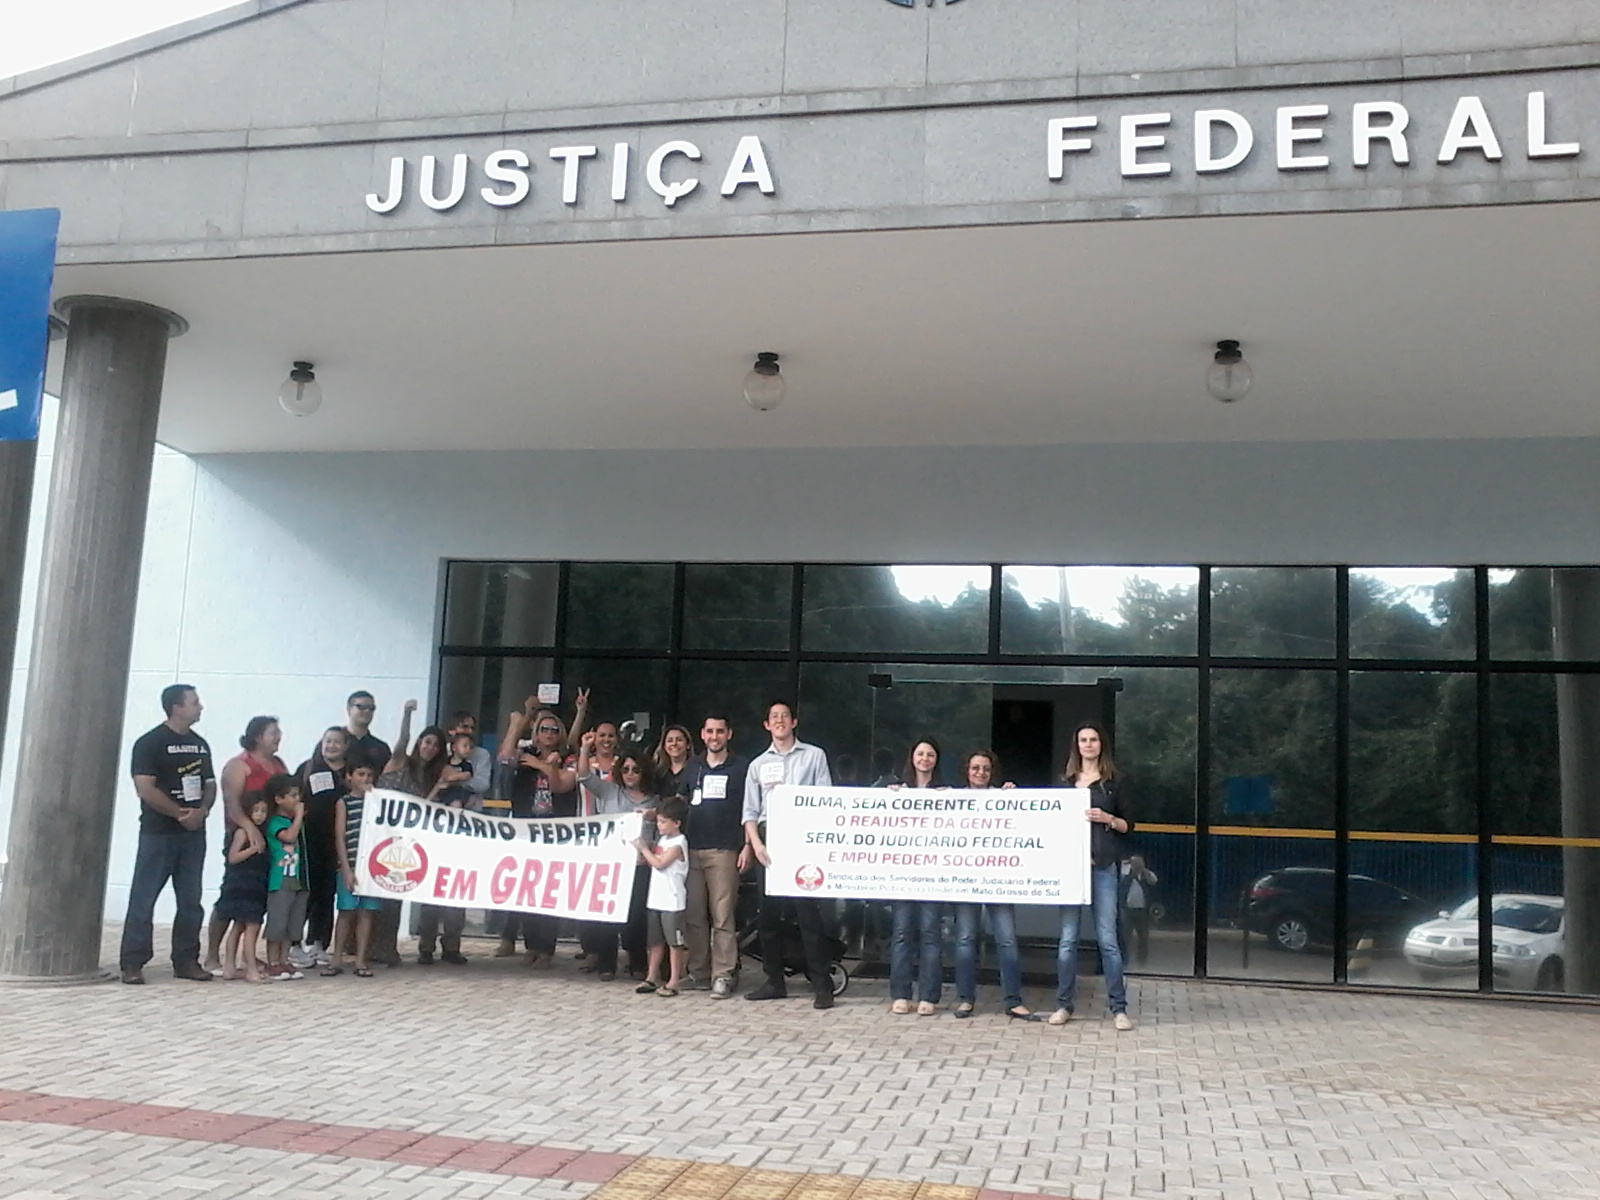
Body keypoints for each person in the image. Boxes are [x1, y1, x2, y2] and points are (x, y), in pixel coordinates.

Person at [743, 700, 837, 1010]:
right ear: (766, 725)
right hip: (768, 841)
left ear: (794, 722)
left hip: (802, 837)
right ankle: (774, 982)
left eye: (785, 716)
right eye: (774, 717)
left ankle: (822, 986)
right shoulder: (757, 765)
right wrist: (756, 844)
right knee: (768, 917)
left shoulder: (814, 756)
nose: (780, 720)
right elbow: (750, 811)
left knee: (808, 915)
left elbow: (825, 799)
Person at [120, 684, 217, 985]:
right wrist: (178, 813)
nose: (200, 707)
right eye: (194, 702)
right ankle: (133, 962)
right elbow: (145, 787)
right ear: (176, 707)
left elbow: (210, 783)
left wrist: (201, 811)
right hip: (158, 834)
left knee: (191, 899)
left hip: (193, 835)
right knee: (144, 897)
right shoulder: (150, 743)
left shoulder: (200, 744)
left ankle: (186, 959)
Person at [1053, 721, 1136, 1031]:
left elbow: (1130, 825)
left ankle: (1119, 1008)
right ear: (1077, 745)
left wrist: (1108, 818)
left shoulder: (1115, 782)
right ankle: (1064, 1005)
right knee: (1068, 940)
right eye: (1083, 739)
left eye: (1093, 739)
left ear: (1102, 745)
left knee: (1108, 940)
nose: (1088, 744)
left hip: (1103, 867)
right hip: (1072, 869)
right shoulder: (1065, 782)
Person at [950, 751, 1037, 1021]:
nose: (980, 773)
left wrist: (1012, 796)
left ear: (992, 772)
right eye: (975, 768)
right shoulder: (953, 799)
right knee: (965, 939)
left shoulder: (1003, 798)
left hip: (999, 879)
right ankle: (965, 999)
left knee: (1007, 940)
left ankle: (1013, 1000)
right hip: (966, 879)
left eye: (986, 769)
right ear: (967, 770)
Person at [204, 716, 288, 973]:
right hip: (243, 835)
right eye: (273, 732)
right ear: (257, 736)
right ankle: (212, 954)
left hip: (271, 837)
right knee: (232, 895)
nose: (278, 737)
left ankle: (246, 954)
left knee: (255, 898)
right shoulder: (238, 765)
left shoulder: (278, 765)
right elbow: (232, 803)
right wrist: (251, 830)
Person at [495, 706, 578, 963]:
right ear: (537, 733)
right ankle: (531, 945)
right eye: (544, 729)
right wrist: (517, 724)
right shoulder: (525, 753)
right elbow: (505, 757)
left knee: (548, 889)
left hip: (554, 830)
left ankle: (546, 948)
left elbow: (561, 785)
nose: (550, 733)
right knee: (527, 886)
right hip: (526, 827)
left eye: (554, 729)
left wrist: (543, 766)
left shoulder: (567, 757)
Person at [372, 701, 450, 966]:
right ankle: (367, 947)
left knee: (395, 895)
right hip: (380, 833)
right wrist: (407, 714)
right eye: (426, 742)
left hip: (404, 840)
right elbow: (402, 741)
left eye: (435, 745)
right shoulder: (400, 761)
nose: (429, 748)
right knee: (376, 895)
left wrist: (439, 786)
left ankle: (387, 948)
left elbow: (422, 807)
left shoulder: (428, 776)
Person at [577, 735, 657, 980]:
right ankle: (606, 964)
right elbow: (583, 777)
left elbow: (661, 833)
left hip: (639, 866)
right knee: (608, 916)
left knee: (636, 918)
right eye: (626, 769)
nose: (630, 773)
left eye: (635, 769)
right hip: (611, 865)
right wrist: (584, 748)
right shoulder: (609, 791)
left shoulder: (655, 801)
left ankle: (637, 963)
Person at [683, 715, 750, 998]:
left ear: (729, 734)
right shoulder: (693, 766)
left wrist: (747, 845)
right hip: (692, 849)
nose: (714, 736)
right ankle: (698, 971)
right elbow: (681, 803)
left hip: (725, 850)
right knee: (694, 915)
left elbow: (751, 809)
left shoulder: (741, 768)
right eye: (710, 731)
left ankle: (723, 974)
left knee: (722, 916)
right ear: (702, 734)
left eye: (720, 731)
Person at [887, 738, 945, 1016]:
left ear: (936, 760)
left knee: (930, 934)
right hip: (902, 875)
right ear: (912, 757)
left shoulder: (947, 793)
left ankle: (929, 996)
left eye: (930, 754)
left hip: (933, 875)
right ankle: (901, 994)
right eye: (920, 753)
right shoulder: (897, 790)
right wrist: (889, 797)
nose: (924, 758)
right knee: (901, 934)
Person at [295, 726, 352, 966]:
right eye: (327, 741)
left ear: (346, 746)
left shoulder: (351, 772)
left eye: (337, 742)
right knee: (304, 892)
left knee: (327, 894)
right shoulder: (307, 768)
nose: (331, 746)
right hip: (308, 840)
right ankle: (293, 943)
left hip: (336, 842)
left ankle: (319, 942)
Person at [417, 733, 472, 967]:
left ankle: (451, 947)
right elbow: (424, 804)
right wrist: (440, 785)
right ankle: (425, 948)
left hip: (457, 842)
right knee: (429, 899)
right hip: (433, 841)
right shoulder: (433, 772)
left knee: (456, 897)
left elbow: (476, 781)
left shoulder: (467, 768)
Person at [328, 763, 381, 977]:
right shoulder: (344, 802)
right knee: (346, 912)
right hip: (350, 863)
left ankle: (361, 959)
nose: (365, 778)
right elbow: (340, 836)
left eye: (369, 774)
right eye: (360, 774)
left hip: (371, 867)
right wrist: (346, 868)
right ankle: (337, 957)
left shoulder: (378, 801)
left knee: (366, 913)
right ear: (350, 776)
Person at [633, 795, 690, 997]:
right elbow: (653, 861)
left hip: (672, 900)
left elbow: (660, 863)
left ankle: (674, 979)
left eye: (663, 821)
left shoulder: (679, 842)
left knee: (675, 943)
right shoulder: (663, 839)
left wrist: (644, 848)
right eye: (658, 820)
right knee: (655, 941)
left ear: (677, 823)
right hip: (656, 897)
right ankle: (651, 976)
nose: (659, 825)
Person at [215, 793, 271, 983]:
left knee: (239, 925)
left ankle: (230, 967)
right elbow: (233, 857)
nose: (260, 815)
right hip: (242, 884)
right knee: (251, 926)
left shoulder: (263, 833)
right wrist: (253, 849)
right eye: (255, 811)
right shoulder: (242, 832)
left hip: (256, 883)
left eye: (263, 811)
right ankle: (250, 969)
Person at [262, 773, 308, 981]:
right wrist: (298, 816)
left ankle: (284, 959)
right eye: (292, 795)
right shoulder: (275, 822)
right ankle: (272, 962)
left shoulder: (295, 822)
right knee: (278, 922)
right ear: (279, 799)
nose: (296, 800)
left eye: (298, 795)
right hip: (280, 878)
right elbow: (288, 837)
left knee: (293, 923)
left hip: (298, 878)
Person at [445, 710, 492, 808]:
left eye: (472, 728)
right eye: (465, 727)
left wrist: (456, 779)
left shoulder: (482, 754)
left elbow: (483, 784)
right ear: (451, 730)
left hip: (471, 811)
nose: (470, 731)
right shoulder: (442, 752)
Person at [1120, 854, 1158, 967]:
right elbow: (1121, 880)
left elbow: (1154, 880)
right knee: (1126, 936)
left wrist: (1144, 870)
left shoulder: (1145, 875)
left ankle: (1142, 960)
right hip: (1128, 910)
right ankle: (1125, 959)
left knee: (1143, 937)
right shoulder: (1126, 874)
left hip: (1142, 911)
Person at [343, 690, 392, 775]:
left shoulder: (381, 748)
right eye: (361, 707)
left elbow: (388, 778)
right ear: (348, 709)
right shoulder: (333, 743)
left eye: (371, 708)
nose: (367, 711)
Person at [435, 730, 480, 808]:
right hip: (444, 791)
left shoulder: (466, 765)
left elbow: (467, 775)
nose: (468, 749)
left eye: (470, 747)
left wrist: (450, 777)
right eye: (465, 746)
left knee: (456, 804)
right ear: (454, 748)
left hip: (458, 792)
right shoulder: (445, 762)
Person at [654, 725, 695, 800]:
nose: (674, 743)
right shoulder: (658, 774)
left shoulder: (696, 771)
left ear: (688, 745)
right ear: (664, 746)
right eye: (670, 740)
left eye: (679, 740)